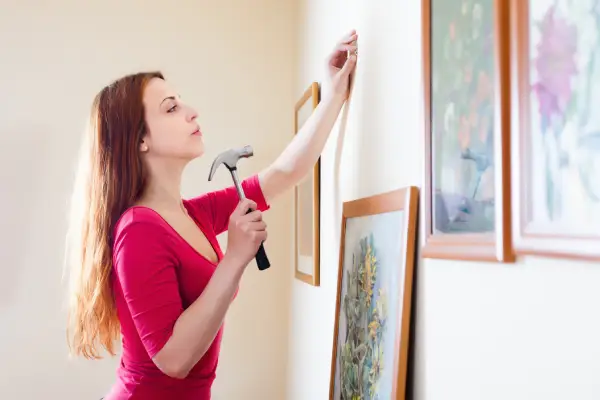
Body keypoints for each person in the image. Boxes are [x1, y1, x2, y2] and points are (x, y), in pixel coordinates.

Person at [63, 30, 358, 399]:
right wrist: (234, 258)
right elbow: (173, 360)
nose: (191, 111)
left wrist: (334, 95)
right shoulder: (137, 230)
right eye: (171, 107)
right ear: (141, 140)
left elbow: (285, 173)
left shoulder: (193, 214)